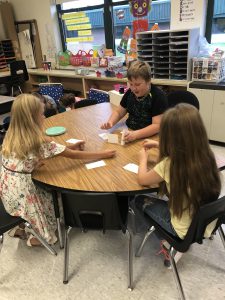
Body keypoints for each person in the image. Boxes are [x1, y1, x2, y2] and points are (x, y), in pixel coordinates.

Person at [0, 94, 116, 247]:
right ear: (31, 118)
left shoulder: (13, 133)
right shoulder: (37, 140)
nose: (44, 116)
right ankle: (37, 238)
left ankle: (21, 227)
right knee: (53, 195)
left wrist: (65, 149)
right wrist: (103, 154)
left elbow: (29, 155)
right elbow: (73, 156)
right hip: (24, 192)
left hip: (8, 188)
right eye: (41, 114)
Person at [135, 103, 221, 267]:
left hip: (182, 230)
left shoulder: (170, 164)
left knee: (138, 200)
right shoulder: (206, 154)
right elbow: (186, 148)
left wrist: (142, 159)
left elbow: (143, 180)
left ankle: (169, 243)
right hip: (204, 223)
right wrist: (158, 146)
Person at [100, 61, 168, 142]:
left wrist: (136, 134)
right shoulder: (130, 93)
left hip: (150, 137)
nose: (133, 89)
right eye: (131, 84)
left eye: (138, 84)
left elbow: (157, 126)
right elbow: (119, 112)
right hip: (130, 131)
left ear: (148, 81)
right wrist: (111, 122)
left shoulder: (158, 97)